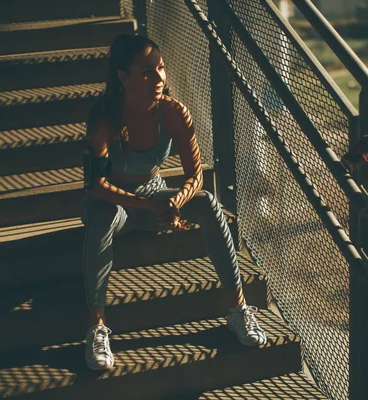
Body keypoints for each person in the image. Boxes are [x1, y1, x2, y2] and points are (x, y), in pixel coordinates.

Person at [81, 34, 267, 370]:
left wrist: (175, 202)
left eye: (161, 69)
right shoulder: (104, 118)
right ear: (123, 77)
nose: (159, 79)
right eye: (147, 72)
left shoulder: (173, 112)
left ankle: (238, 310)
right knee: (102, 218)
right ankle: (96, 329)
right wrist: (151, 206)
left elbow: (195, 177)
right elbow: (97, 187)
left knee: (209, 203)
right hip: (115, 206)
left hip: (154, 195)